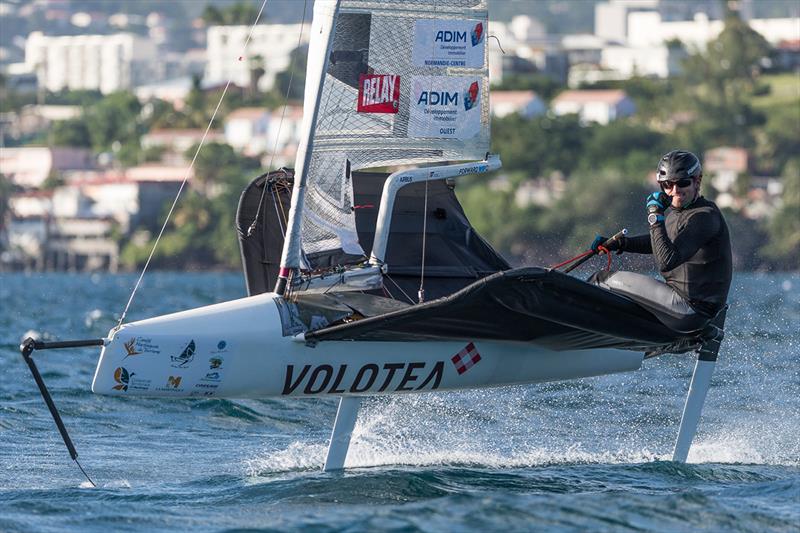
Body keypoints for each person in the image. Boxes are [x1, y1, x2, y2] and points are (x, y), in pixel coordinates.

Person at [589, 150, 732, 332]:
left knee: (600, 279)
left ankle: (573, 330)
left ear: (698, 181)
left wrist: (654, 216)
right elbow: (660, 243)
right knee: (617, 296)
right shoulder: (680, 214)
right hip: (688, 310)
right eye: (667, 184)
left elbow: (667, 261)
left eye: (682, 183)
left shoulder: (704, 216)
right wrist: (622, 243)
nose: (675, 191)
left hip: (688, 311)